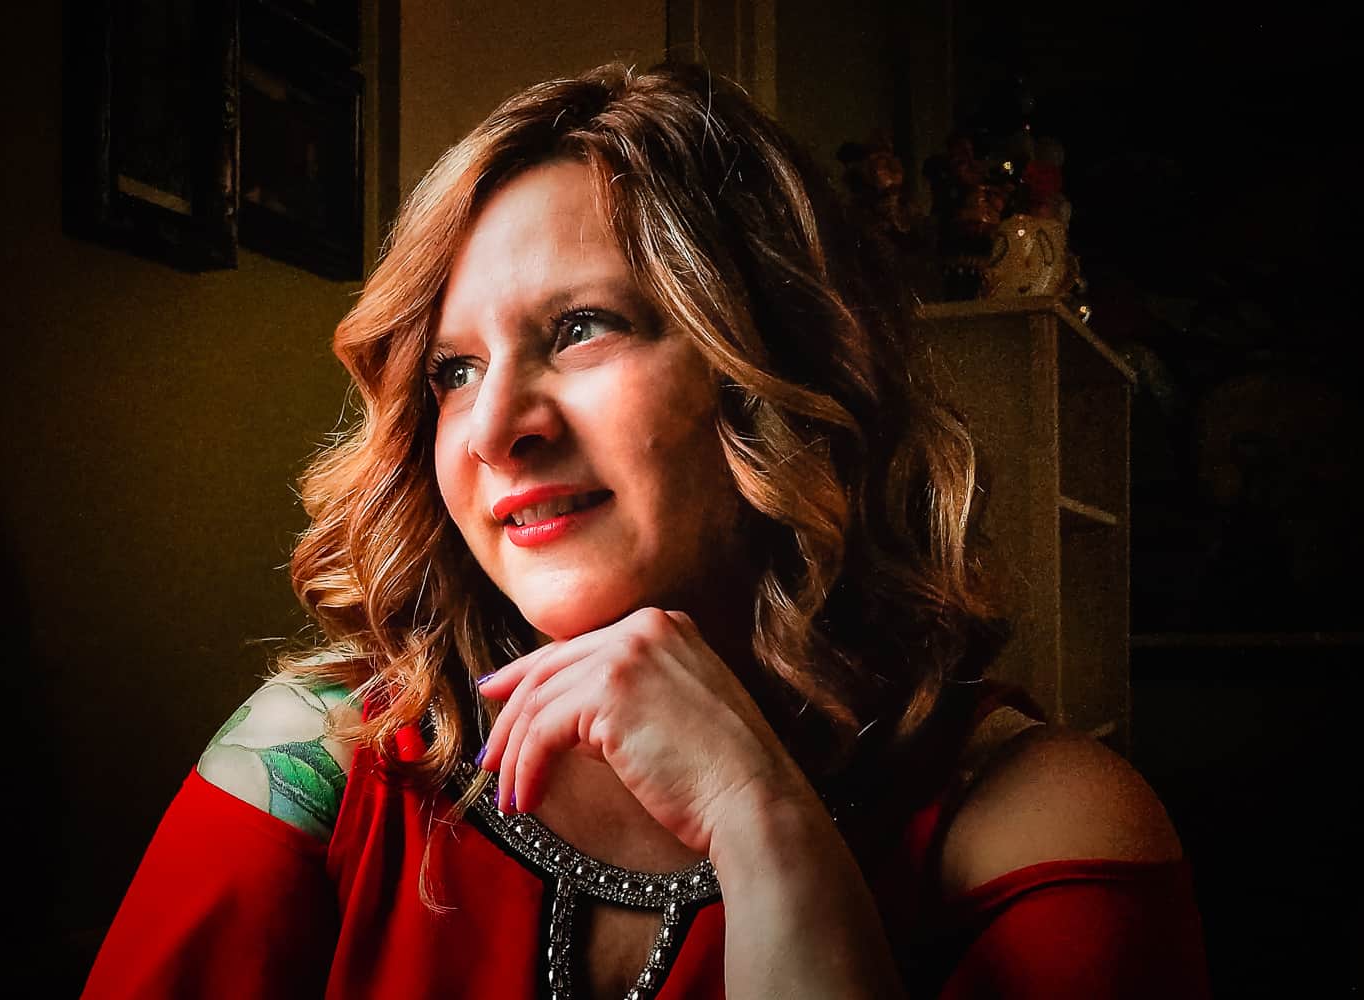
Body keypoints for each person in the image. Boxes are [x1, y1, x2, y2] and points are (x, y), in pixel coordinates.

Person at [83, 63, 1209, 999]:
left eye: (581, 328)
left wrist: (766, 830)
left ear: (777, 365)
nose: (494, 430)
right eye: (453, 370)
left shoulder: (1041, 826)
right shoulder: (312, 762)